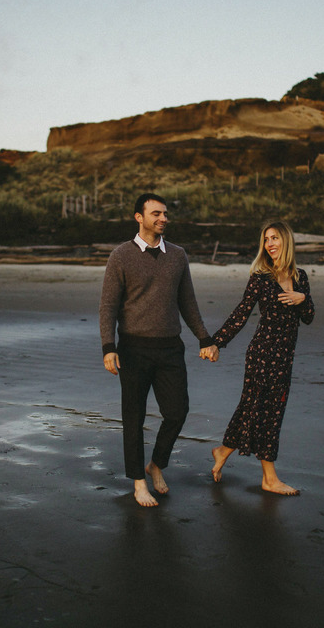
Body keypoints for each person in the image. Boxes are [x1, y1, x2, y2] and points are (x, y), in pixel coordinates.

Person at [99, 193, 220, 507]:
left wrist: (205, 338)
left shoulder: (177, 256)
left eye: (165, 213)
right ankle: (139, 482)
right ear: (139, 217)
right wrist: (108, 347)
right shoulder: (121, 256)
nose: (163, 218)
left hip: (170, 349)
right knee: (133, 418)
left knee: (177, 412)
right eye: (156, 213)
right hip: (133, 350)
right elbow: (108, 306)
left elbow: (188, 303)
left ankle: (156, 465)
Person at [210, 219, 314, 495]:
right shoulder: (261, 278)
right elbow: (241, 313)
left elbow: (309, 318)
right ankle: (269, 478)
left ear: (286, 242)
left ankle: (222, 451)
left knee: (266, 411)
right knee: (260, 411)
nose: (270, 244)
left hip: (284, 358)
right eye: (266, 239)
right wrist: (216, 342)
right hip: (261, 354)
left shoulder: (300, 277)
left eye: (275, 238)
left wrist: (303, 299)